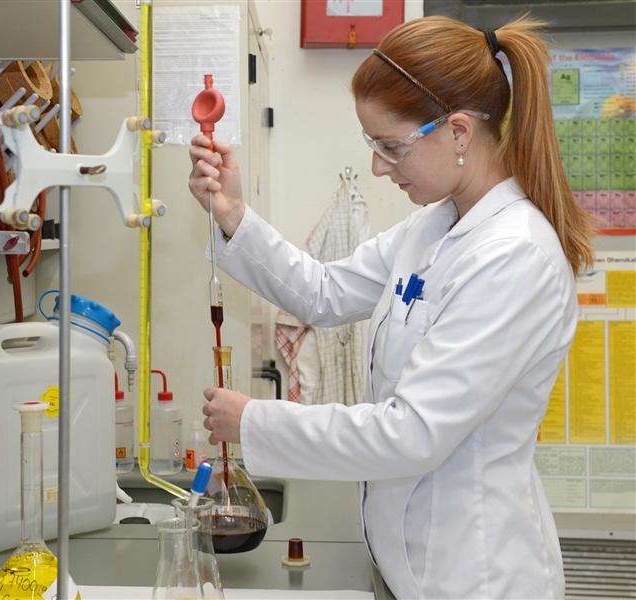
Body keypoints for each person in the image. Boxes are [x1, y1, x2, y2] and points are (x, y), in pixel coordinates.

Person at [188, 14, 594, 600]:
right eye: (373, 145)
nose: (378, 166)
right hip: (411, 567)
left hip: (474, 579)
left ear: (459, 132)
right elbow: (323, 292)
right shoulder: (433, 227)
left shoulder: (515, 256)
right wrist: (232, 213)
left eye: (391, 146)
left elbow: (413, 432)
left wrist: (254, 421)